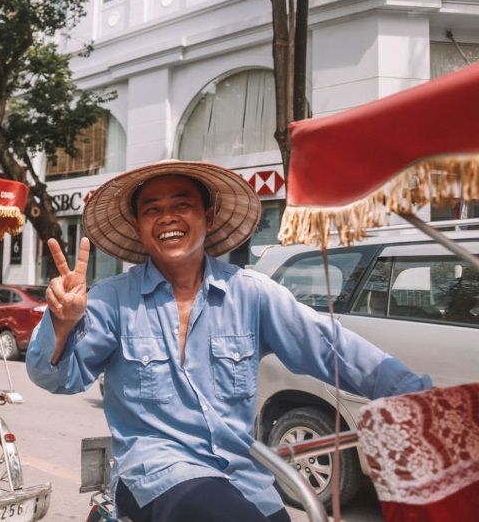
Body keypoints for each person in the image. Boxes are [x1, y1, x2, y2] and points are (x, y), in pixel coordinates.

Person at [26, 160, 432, 522]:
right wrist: (62, 323)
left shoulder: (251, 293)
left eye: (181, 204)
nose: (167, 217)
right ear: (138, 226)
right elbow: (56, 378)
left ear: (209, 214)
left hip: (241, 473)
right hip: (155, 474)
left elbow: (332, 347)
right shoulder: (113, 299)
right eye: (152, 209)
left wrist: (417, 399)